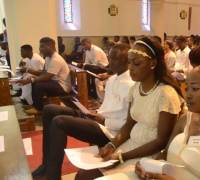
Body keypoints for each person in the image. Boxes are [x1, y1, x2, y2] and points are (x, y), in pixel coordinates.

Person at [75, 37, 183, 179]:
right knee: (83, 174)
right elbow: (128, 126)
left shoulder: (166, 94)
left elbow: (161, 141)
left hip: (148, 156)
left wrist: (122, 157)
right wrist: (111, 145)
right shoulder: (135, 88)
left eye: (136, 63)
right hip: (129, 146)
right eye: (130, 62)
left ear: (153, 63)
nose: (131, 68)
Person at [31, 43, 134, 179]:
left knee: (59, 122)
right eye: (110, 58)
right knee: (49, 109)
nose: (110, 62)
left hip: (109, 131)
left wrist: (103, 119)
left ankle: (53, 175)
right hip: (99, 118)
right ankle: (46, 165)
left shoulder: (131, 85)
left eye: (114, 59)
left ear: (127, 61)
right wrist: (95, 112)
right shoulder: (113, 78)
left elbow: (128, 124)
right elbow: (108, 108)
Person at [16, 37, 71, 114]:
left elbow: (47, 76)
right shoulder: (48, 58)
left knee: (39, 85)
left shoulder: (56, 59)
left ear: (49, 46)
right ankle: (35, 105)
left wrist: (31, 80)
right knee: (35, 82)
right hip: (54, 82)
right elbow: (43, 72)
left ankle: (38, 109)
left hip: (62, 86)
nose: (40, 49)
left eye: (42, 46)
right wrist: (33, 77)